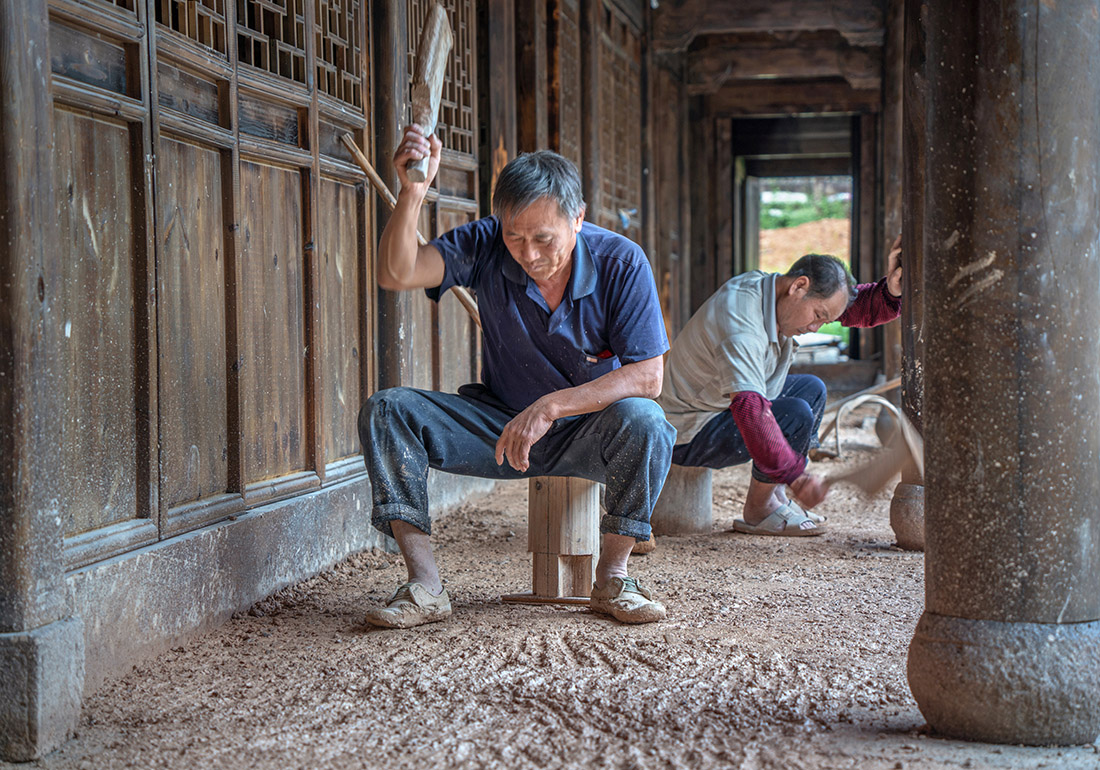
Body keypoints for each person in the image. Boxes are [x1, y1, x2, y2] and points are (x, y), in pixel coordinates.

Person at [359, 124, 675, 627]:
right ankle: (425, 587)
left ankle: (614, 579)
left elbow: (648, 377)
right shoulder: (487, 243)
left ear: (578, 219)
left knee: (646, 419)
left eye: (543, 238)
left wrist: (550, 407)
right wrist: (412, 193)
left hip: (589, 435)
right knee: (388, 409)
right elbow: (397, 273)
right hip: (502, 431)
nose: (528, 253)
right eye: (515, 236)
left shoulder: (621, 261)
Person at [657, 238, 903, 536]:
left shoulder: (774, 291)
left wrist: (890, 291)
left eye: (824, 322)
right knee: (794, 413)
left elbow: (851, 307)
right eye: (817, 316)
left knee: (811, 389)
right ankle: (758, 511)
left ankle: (774, 498)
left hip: (718, 409)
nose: (815, 328)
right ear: (799, 286)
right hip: (685, 432)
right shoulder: (741, 318)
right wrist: (796, 477)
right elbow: (749, 410)